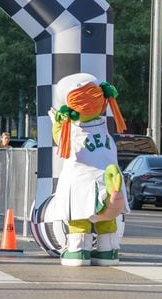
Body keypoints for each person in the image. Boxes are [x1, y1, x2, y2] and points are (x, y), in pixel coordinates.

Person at [48, 73, 127, 267]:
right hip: (109, 181)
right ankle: (108, 252)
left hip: (82, 183)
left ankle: (78, 252)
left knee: (79, 220)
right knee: (106, 220)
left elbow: (60, 141)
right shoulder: (104, 128)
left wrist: (58, 123)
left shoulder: (73, 130)